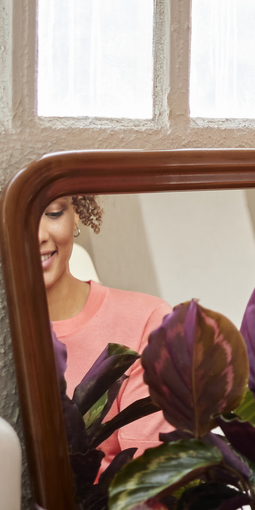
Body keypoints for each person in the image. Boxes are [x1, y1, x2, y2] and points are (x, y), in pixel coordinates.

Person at [42, 194, 171, 465]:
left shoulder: (146, 320)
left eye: (53, 213)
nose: (39, 235)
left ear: (76, 213)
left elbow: (149, 474)